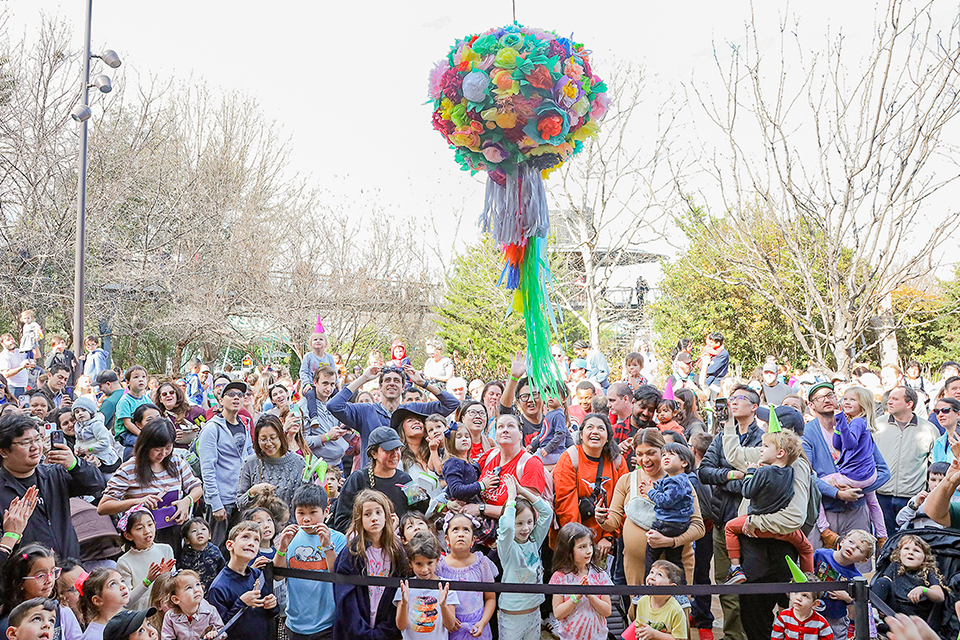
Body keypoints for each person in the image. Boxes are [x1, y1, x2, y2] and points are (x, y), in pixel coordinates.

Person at [599, 428, 704, 588]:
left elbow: (698, 527)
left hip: (674, 570)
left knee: (672, 611)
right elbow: (613, 522)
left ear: (663, 452)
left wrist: (671, 541)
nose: (644, 459)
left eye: (650, 453)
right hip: (636, 570)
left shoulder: (681, 482)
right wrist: (602, 518)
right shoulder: (626, 480)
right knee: (638, 611)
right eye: (639, 454)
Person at [0, 413, 105, 558]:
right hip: (28, 575)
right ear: (4, 451)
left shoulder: (53, 473)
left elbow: (97, 485)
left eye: (37, 439)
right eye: (25, 442)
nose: (35, 447)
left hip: (69, 567)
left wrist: (74, 464)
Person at [802, 381, 891, 550]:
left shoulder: (857, 426)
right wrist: (837, 493)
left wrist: (856, 490)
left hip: (856, 509)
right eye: (819, 398)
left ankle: (882, 536)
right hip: (826, 511)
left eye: (830, 395)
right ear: (811, 405)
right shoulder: (808, 433)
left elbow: (884, 472)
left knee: (857, 568)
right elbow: (807, 475)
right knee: (824, 568)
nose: (826, 400)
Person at [98, 417, 202, 554]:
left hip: (174, 531)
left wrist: (186, 501)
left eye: (168, 448)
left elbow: (196, 488)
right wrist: (139, 502)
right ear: (146, 445)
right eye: (158, 449)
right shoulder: (129, 468)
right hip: (142, 539)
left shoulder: (175, 461)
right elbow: (103, 507)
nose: (163, 454)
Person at [722, 429, 813, 582]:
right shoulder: (791, 471)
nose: (761, 450)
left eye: (764, 446)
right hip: (784, 529)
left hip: (756, 525)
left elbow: (747, 491)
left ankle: (735, 569)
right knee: (806, 548)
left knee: (729, 528)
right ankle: (807, 583)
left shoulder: (763, 472)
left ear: (780, 453)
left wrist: (752, 472)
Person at [328, 365, 459, 455]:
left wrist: (422, 382)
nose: (392, 383)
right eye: (387, 380)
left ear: (403, 388)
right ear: (380, 387)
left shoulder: (415, 410)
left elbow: (452, 404)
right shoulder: (365, 411)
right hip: (373, 480)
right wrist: (364, 378)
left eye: (397, 381)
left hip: (408, 480)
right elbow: (334, 405)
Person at [273, 484, 346, 640]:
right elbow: (278, 576)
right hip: (295, 621)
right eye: (301, 513)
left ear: (326, 512)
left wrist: (327, 546)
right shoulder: (289, 537)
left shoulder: (339, 539)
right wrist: (282, 547)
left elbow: (338, 575)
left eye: (313, 512)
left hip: (328, 622)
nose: (306, 519)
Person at [553, 413, 627, 561]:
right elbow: (565, 505)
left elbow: (623, 504)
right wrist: (580, 543)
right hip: (573, 541)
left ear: (607, 437)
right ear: (581, 435)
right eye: (590, 427)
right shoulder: (570, 458)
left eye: (601, 428)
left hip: (605, 542)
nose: (595, 431)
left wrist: (609, 537)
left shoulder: (617, 461)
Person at [333, 489, 405, 640]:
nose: (374, 518)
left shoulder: (397, 552)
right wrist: (361, 632)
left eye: (378, 512)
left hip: (385, 633)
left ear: (387, 516)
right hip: (353, 633)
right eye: (368, 514)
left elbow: (399, 595)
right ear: (359, 519)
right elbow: (345, 598)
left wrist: (384, 632)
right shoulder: (351, 552)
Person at [875, 386, 938, 538]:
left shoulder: (929, 429)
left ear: (909, 404)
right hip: (881, 495)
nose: (889, 402)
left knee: (911, 542)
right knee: (883, 541)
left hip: (912, 498)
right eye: (889, 398)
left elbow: (933, 465)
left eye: (895, 399)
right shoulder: (876, 425)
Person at [196, 381, 254, 548]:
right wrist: (215, 503)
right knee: (217, 547)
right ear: (220, 401)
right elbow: (207, 468)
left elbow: (250, 459)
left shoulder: (244, 425)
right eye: (231, 394)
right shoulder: (211, 429)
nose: (236, 397)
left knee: (239, 546)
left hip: (242, 499)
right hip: (222, 500)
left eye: (240, 395)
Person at [496, 475, 552, 640]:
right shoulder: (507, 546)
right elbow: (506, 527)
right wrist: (511, 497)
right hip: (512, 617)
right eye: (519, 523)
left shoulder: (534, 540)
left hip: (534, 612)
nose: (526, 528)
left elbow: (547, 512)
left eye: (529, 522)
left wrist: (523, 491)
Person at [333, 427, 414, 533]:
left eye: (397, 449)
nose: (395, 454)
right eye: (388, 450)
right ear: (373, 453)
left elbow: (414, 515)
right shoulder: (358, 479)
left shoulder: (405, 480)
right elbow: (341, 521)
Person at [207, 522, 278, 640]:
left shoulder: (258, 575)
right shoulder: (219, 587)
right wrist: (241, 603)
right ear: (230, 545)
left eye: (256, 540)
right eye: (245, 537)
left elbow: (272, 613)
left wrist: (272, 605)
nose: (251, 543)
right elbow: (219, 630)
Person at [0, 544, 83, 640]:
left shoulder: (63, 612)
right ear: (20, 582)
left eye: (52, 572)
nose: (49, 580)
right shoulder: (7, 623)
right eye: (41, 576)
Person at [437, 514, 497, 640]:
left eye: (466, 529)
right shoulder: (439, 566)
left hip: (478, 627)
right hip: (450, 628)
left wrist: (483, 622)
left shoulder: (481, 563)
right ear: (446, 539)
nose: (461, 534)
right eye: (455, 529)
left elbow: (490, 598)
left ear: (473, 540)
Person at [549, 522, 612, 640]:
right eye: (582, 547)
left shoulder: (600, 575)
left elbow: (607, 611)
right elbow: (558, 614)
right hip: (569, 637)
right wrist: (576, 597)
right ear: (568, 551)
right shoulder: (560, 577)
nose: (589, 551)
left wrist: (590, 595)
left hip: (598, 637)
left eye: (590, 545)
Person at [235, 414, 306, 513]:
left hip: (291, 526)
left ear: (281, 437)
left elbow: (306, 502)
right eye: (263, 439)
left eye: (273, 438)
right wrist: (252, 492)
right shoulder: (250, 463)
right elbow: (240, 504)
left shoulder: (299, 462)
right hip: (259, 526)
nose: (268, 443)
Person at [812, 529, 875, 640]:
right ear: (842, 541)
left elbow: (859, 602)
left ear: (863, 560)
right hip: (812, 609)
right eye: (851, 542)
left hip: (836, 616)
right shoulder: (821, 554)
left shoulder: (856, 577)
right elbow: (806, 572)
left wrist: (846, 597)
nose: (852, 547)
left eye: (859, 549)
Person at [394, 532, 458, 639]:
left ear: (437, 560)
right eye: (418, 564)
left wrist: (443, 605)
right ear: (410, 563)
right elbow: (401, 626)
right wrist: (404, 604)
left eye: (429, 563)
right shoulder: (405, 587)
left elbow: (450, 625)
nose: (424, 569)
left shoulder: (446, 587)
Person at [645, 442, 695, 575]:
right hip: (677, 524)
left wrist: (650, 491)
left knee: (651, 555)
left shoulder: (676, 481)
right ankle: (679, 592)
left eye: (671, 455)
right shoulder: (674, 479)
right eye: (663, 455)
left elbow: (665, 501)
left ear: (684, 463)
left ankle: (646, 586)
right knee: (674, 560)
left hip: (668, 524)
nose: (666, 457)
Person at [871, 535, 944, 620]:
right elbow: (884, 585)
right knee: (882, 581)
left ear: (925, 558)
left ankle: (882, 625)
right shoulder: (895, 566)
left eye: (916, 551)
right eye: (906, 549)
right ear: (899, 553)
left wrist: (923, 590)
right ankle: (873, 613)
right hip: (893, 611)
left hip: (914, 615)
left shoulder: (928, 572)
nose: (910, 553)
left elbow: (940, 597)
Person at [116, 510, 176, 611]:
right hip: (141, 616)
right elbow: (126, 602)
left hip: (165, 612)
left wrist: (165, 578)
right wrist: (147, 581)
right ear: (128, 535)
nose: (147, 531)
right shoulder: (124, 562)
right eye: (140, 528)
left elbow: (174, 586)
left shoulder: (166, 549)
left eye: (150, 524)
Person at [303, 366, 349, 467]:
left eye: (332, 384)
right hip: (318, 466)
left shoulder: (336, 404)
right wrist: (327, 437)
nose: (329, 388)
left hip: (338, 462)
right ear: (315, 383)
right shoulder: (304, 407)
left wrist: (348, 430)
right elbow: (301, 441)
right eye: (325, 383)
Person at [631, 560, 688, 640]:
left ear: (671, 587)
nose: (652, 577)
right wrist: (640, 631)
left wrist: (654, 634)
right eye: (651, 572)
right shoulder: (642, 601)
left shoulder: (675, 610)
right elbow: (637, 627)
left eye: (659, 575)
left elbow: (679, 639)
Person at [160, 569, 224, 640]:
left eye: (197, 584)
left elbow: (222, 632)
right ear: (176, 599)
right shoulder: (170, 617)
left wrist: (215, 634)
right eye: (189, 588)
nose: (196, 590)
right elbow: (167, 638)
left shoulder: (210, 611)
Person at [770, 576, 833, 640]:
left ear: (814, 604)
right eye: (796, 592)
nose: (798, 598)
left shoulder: (821, 623)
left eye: (805, 595)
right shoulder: (783, 617)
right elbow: (776, 638)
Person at [78, 569, 131, 640]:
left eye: (122, 581)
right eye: (113, 584)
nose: (123, 586)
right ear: (98, 600)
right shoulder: (94, 636)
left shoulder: (129, 619)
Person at [895, 461, 950, 529]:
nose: (936, 484)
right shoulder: (919, 499)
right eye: (933, 480)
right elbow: (900, 520)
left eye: (941, 481)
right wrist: (915, 505)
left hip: (947, 537)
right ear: (928, 481)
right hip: (920, 536)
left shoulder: (956, 501)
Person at [73, 396, 120, 473]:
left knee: (105, 476)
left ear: (91, 411)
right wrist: (77, 448)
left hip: (102, 455)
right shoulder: (78, 426)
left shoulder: (96, 425)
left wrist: (89, 448)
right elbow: (78, 440)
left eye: (84, 410)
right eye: (77, 412)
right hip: (89, 455)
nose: (80, 413)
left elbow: (104, 442)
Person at [177, 517, 225, 592]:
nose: (199, 532)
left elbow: (222, 569)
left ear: (209, 535)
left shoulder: (215, 551)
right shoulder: (185, 555)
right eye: (194, 531)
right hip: (193, 591)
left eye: (203, 529)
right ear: (186, 540)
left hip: (213, 589)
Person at [153, 383, 205, 449]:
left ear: (177, 395)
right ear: (160, 399)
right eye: (164, 394)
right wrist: (170, 437)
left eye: (171, 392)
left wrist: (201, 429)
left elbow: (212, 423)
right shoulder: (159, 417)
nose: (168, 395)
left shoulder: (193, 411)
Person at [116, 366, 151, 457]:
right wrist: (142, 435)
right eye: (136, 377)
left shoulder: (147, 400)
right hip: (127, 433)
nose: (141, 380)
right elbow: (127, 423)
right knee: (143, 444)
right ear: (127, 382)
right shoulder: (125, 401)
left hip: (144, 430)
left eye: (143, 377)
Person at [0, 333, 35, 398]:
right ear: (2, 343)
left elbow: (37, 355)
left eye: (12, 339)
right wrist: (22, 367)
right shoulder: (3, 356)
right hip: (13, 387)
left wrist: (33, 343)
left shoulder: (18, 352)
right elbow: (5, 374)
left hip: (24, 386)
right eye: (8, 340)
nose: (11, 341)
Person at [96, 371, 125, 437]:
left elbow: (99, 425)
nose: (100, 389)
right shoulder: (130, 394)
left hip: (117, 440)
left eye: (100, 386)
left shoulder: (110, 402)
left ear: (108, 384)